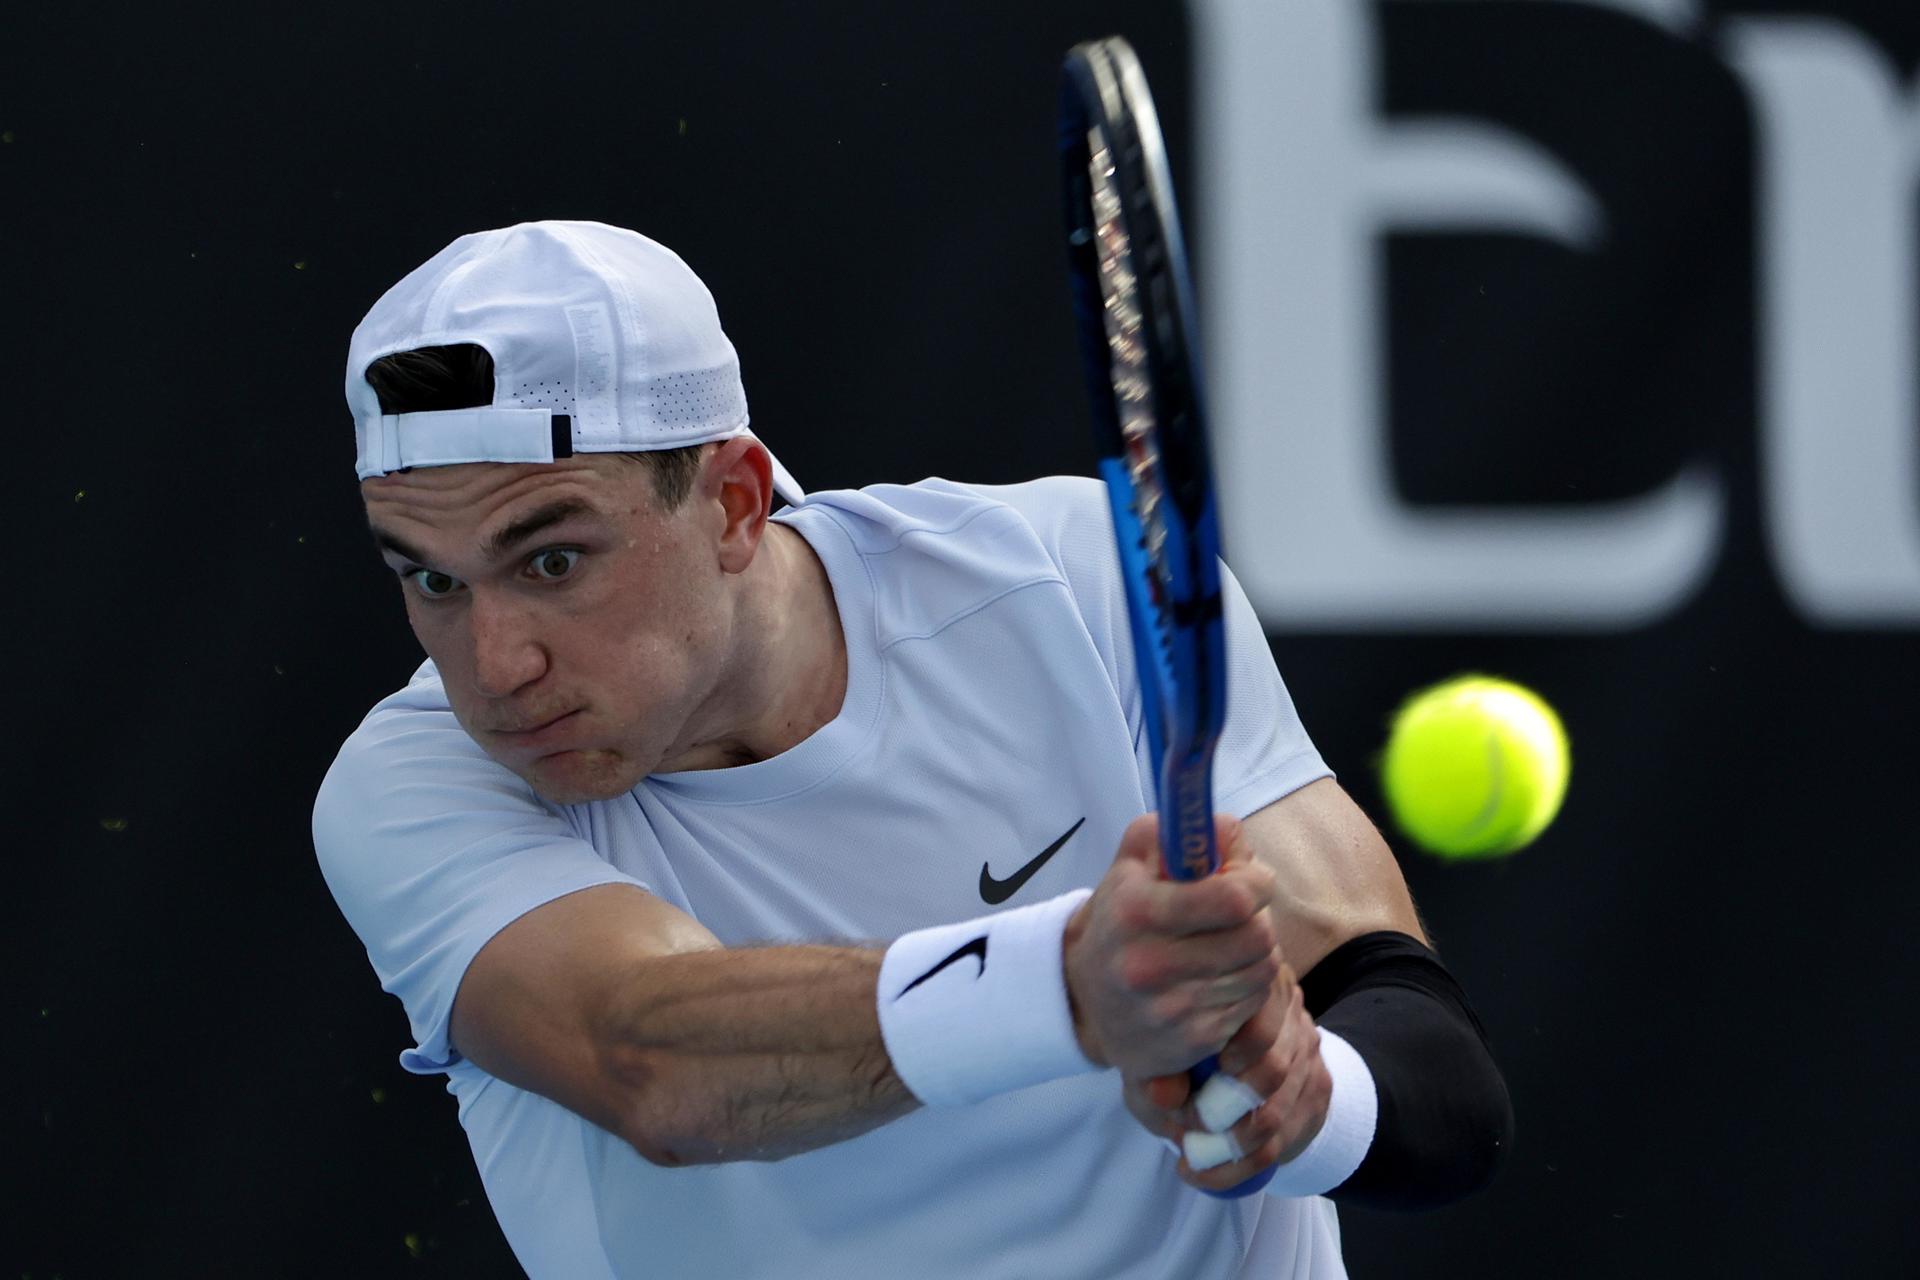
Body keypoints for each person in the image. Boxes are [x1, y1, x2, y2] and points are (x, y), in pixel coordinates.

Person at [314, 220, 1511, 1279]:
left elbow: (1430, 1068)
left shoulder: (1080, 574)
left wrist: (1313, 1099)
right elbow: (654, 1057)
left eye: (552, 560)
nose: (496, 663)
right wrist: (1071, 982)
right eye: (428, 577)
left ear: (732, 503)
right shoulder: (410, 784)